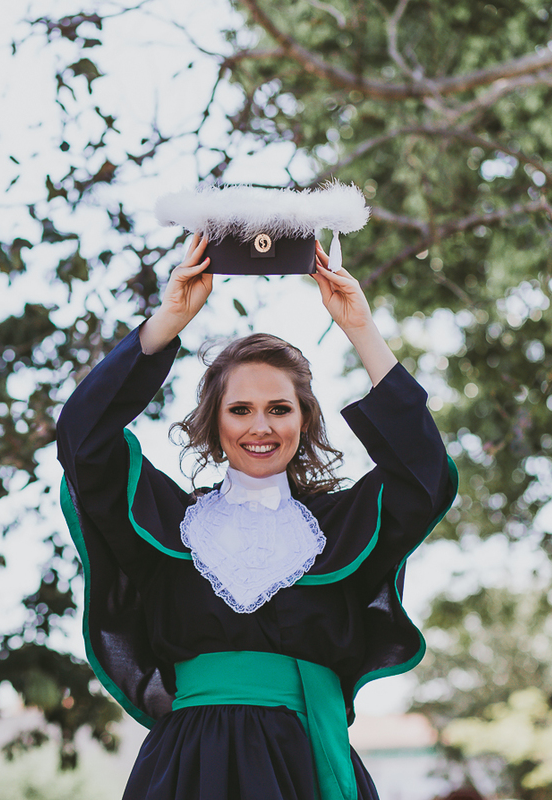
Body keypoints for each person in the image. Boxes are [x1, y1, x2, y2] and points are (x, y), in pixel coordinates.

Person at [57, 233, 457, 800]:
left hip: (307, 765)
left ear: (305, 420)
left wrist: (360, 329)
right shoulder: (169, 525)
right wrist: (166, 322)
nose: (260, 426)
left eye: (279, 408)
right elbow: (82, 437)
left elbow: (426, 475)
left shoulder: (341, 528)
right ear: (213, 424)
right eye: (239, 409)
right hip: (189, 768)